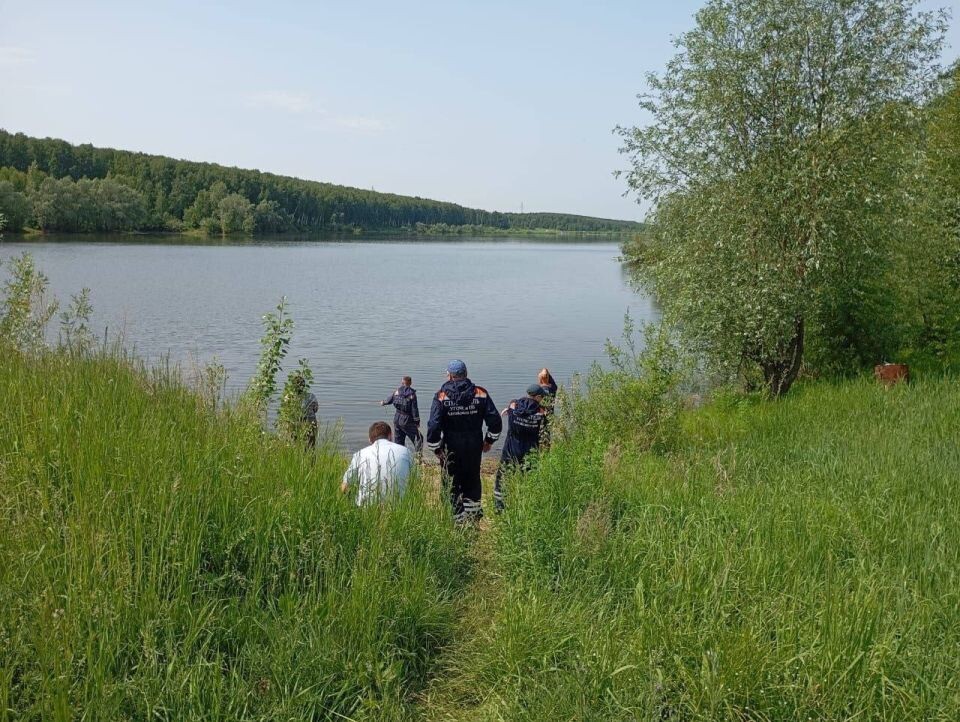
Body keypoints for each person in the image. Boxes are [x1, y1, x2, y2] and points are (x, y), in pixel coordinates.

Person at [427, 360, 502, 524]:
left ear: (449, 376)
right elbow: (495, 422)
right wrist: (489, 441)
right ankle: (473, 519)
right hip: (474, 445)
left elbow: (433, 427)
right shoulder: (480, 393)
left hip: (450, 446)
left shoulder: (441, 396)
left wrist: (437, 449)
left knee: (451, 482)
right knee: (472, 479)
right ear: (466, 374)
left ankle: (457, 521)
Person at [494, 384, 549, 512]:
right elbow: (545, 427)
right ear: (538, 397)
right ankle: (529, 505)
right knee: (530, 477)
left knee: (503, 476)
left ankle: (499, 506)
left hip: (511, 447)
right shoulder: (541, 412)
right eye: (541, 397)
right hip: (530, 449)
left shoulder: (514, 406)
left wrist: (508, 409)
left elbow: (512, 404)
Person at [341, 421, 413, 505]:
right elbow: (416, 481)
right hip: (400, 507)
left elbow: (344, 487)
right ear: (390, 436)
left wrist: (351, 500)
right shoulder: (405, 451)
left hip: (367, 508)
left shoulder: (359, 455)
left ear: (370, 440)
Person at [379, 376, 422, 453]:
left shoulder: (397, 392)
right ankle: (419, 460)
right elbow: (414, 410)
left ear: (402, 382)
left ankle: (398, 458)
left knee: (398, 442)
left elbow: (389, 400)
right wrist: (417, 422)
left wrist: (383, 402)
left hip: (397, 419)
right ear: (410, 383)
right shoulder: (412, 395)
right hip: (407, 420)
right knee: (419, 439)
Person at [293, 375, 319, 448]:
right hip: (311, 422)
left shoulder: (290, 396)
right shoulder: (311, 396)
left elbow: (286, 412)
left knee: (295, 446)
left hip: (296, 422)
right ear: (304, 386)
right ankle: (311, 459)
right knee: (311, 446)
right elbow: (316, 409)